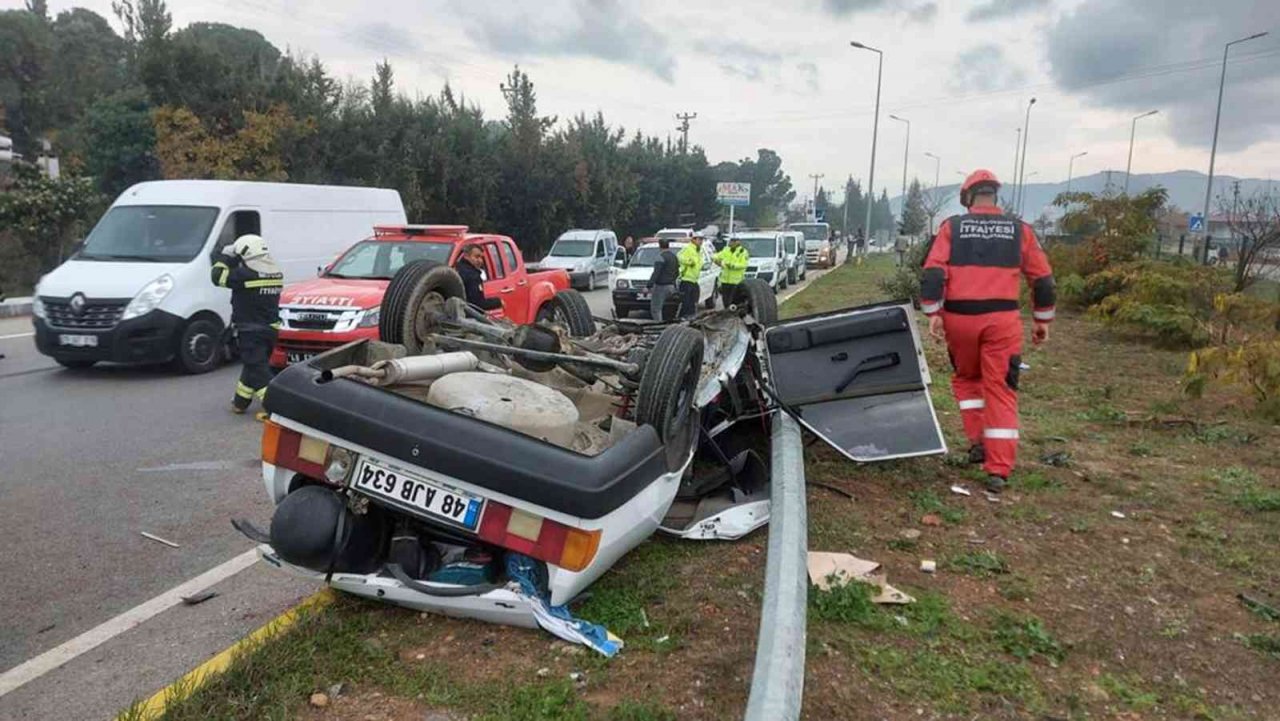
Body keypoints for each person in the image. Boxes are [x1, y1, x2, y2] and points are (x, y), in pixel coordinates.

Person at [920, 169, 1055, 493]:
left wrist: (934, 313)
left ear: (967, 198)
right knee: (1001, 389)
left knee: (967, 380)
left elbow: (933, 273)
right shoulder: (1019, 230)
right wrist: (1042, 320)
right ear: (995, 195)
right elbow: (1043, 279)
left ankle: (978, 443)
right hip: (1002, 322)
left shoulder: (951, 227)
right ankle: (998, 469)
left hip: (960, 320)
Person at [210, 234, 284, 415]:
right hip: (270, 330)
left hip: (250, 331)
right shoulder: (276, 273)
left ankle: (276, 408)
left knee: (258, 370)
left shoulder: (244, 275)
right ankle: (240, 402)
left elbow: (217, 276)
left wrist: (226, 256)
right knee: (253, 365)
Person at [456, 244, 503, 311]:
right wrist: (498, 302)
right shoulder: (472, 276)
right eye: (477, 257)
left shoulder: (455, 268)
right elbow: (477, 304)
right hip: (469, 316)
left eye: (481, 258)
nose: (480, 261)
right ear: (466, 256)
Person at [713, 235, 750, 307]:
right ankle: (726, 313)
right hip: (725, 280)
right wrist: (716, 261)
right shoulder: (726, 250)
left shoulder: (743, 252)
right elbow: (716, 256)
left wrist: (732, 265)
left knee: (734, 300)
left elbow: (743, 264)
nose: (731, 243)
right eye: (731, 241)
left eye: (733, 241)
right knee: (725, 300)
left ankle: (734, 314)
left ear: (738, 242)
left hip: (736, 281)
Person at [648, 238, 679, 321]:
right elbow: (677, 272)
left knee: (656, 309)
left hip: (661, 287)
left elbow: (656, 273)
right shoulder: (674, 257)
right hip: (672, 287)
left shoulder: (660, 257)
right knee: (669, 307)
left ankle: (658, 327)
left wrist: (649, 285)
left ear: (660, 246)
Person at [676, 235, 704, 319]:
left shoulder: (698, 250)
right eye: (699, 239)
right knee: (686, 301)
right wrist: (688, 262)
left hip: (694, 279)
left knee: (693, 301)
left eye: (702, 240)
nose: (701, 241)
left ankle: (690, 317)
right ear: (694, 240)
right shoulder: (688, 248)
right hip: (686, 278)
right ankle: (682, 317)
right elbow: (678, 256)